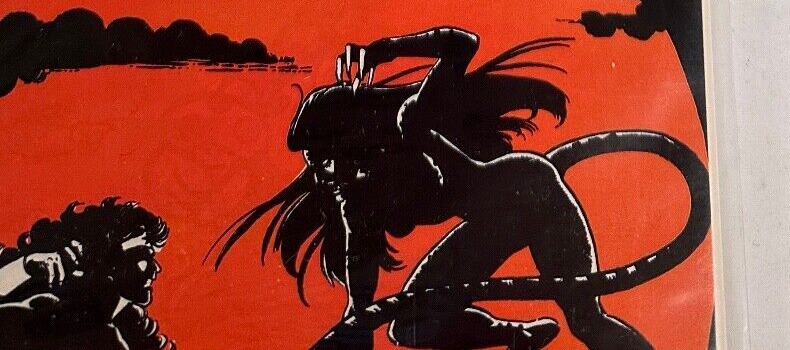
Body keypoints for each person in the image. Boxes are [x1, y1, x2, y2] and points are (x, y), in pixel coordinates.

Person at [215, 27, 652, 350]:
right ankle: (517, 337)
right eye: (314, 161)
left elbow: (462, 44)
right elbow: (360, 281)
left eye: (326, 155)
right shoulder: (355, 198)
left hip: (535, 198)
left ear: (353, 137)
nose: (322, 171)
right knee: (410, 327)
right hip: (493, 225)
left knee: (586, 320)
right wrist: (356, 320)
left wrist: (384, 49)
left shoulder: (412, 119)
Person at [0, 197, 172, 348]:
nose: (156, 268)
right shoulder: (34, 295)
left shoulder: (132, 326)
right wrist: (23, 269)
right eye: (144, 255)